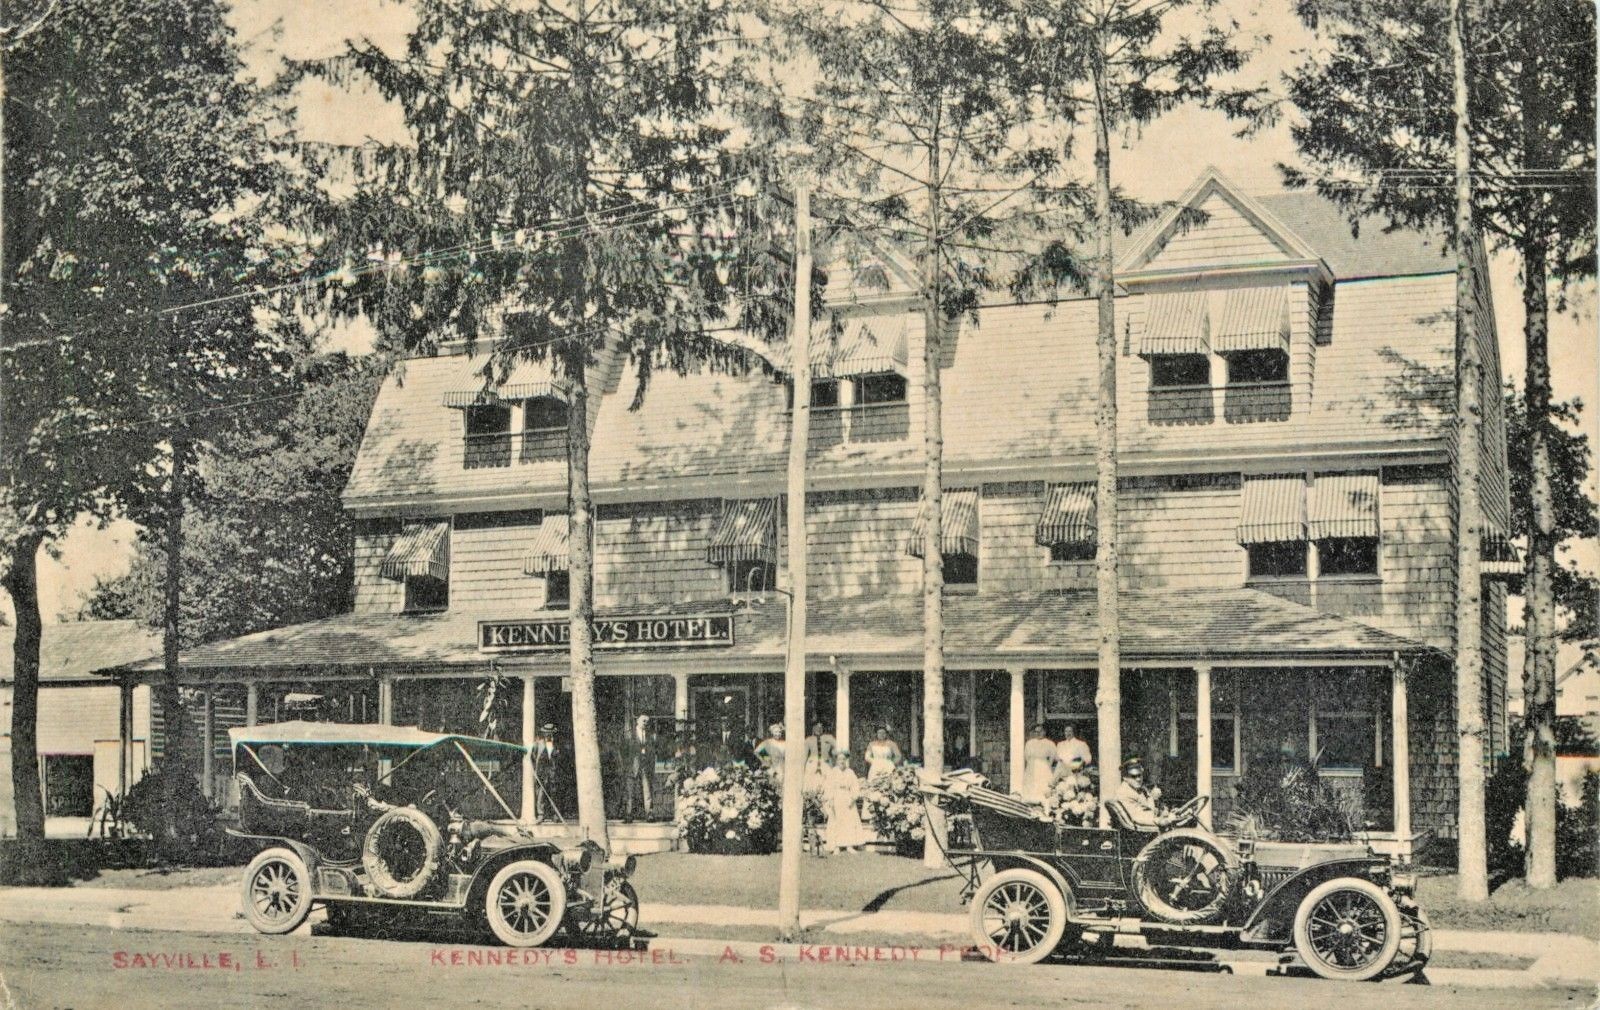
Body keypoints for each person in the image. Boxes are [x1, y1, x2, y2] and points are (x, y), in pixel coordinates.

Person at [822, 750, 873, 852]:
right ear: (836, 760)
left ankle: (849, 845)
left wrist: (853, 798)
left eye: (843, 759)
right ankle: (836, 846)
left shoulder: (850, 772)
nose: (841, 761)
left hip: (847, 798)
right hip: (836, 798)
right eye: (839, 759)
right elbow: (829, 787)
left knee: (849, 821)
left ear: (846, 760)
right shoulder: (833, 772)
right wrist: (830, 799)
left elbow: (855, 787)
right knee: (836, 821)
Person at [1113, 756, 1172, 829]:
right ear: (1125, 778)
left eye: (1139, 775)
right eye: (1133, 776)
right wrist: (1162, 820)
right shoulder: (1124, 793)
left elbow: (1148, 809)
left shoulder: (1140, 789)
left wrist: (1163, 811)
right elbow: (1137, 818)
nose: (1138, 779)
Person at [1051, 753, 1097, 826]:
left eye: (1080, 769)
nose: (1079, 771)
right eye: (1076, 770)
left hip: (1080, 807)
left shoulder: (1084, 780)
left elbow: (1088, 795)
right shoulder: (1069, 781)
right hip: (1069, 808)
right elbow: (1059, 798)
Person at [1020, 723, 1057, 802]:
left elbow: (1052, 757)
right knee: (1031, 787)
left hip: (1043, 767)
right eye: (1036, 732)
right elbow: (1026, 756)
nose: (1038, 733)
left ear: (1044, 732)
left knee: (1043, 786)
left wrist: (1047, 766)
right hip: (1031, 767)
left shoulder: (1049, 743)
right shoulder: (1029, 743)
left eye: (1040, 731)